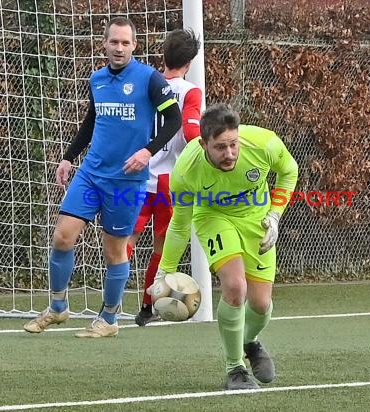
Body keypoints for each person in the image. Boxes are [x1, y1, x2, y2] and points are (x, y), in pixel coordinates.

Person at [23, 17, 182, 338]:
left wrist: (147, 152)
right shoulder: (96, 79)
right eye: (114, 42)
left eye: (125, 43)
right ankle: (57, 307)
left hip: (127, 180)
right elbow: (91, 122)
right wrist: (69, 157)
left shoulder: (150, 79)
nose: (119, 48)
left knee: (114, 252)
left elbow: (174, 120)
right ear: (104, 44)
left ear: (134, 46)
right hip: (91, 173)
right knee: (62, 237)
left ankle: (109, 319)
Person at [151, 103, 298, 389]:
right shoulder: (185, 172)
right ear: (203, 143)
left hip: (257, 219)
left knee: (261, 304)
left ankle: (249, 342)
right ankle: (236, 370)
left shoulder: (263, 143)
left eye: (233, 144)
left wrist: (275, 214)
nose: (229, 153)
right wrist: (165, 272)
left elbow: (288, 171)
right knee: (235, 287)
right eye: (220, 147)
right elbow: (180, 224)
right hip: (213, 218)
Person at [126, 28, 203, 327]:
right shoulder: (190, 92)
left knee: (126, 241)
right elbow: (190, 131)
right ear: (190, 62)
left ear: (164, 56)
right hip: (171, 182)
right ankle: (147, 307)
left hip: (139, 175)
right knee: (162, 248)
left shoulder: (147, 84)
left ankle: (110, 304)